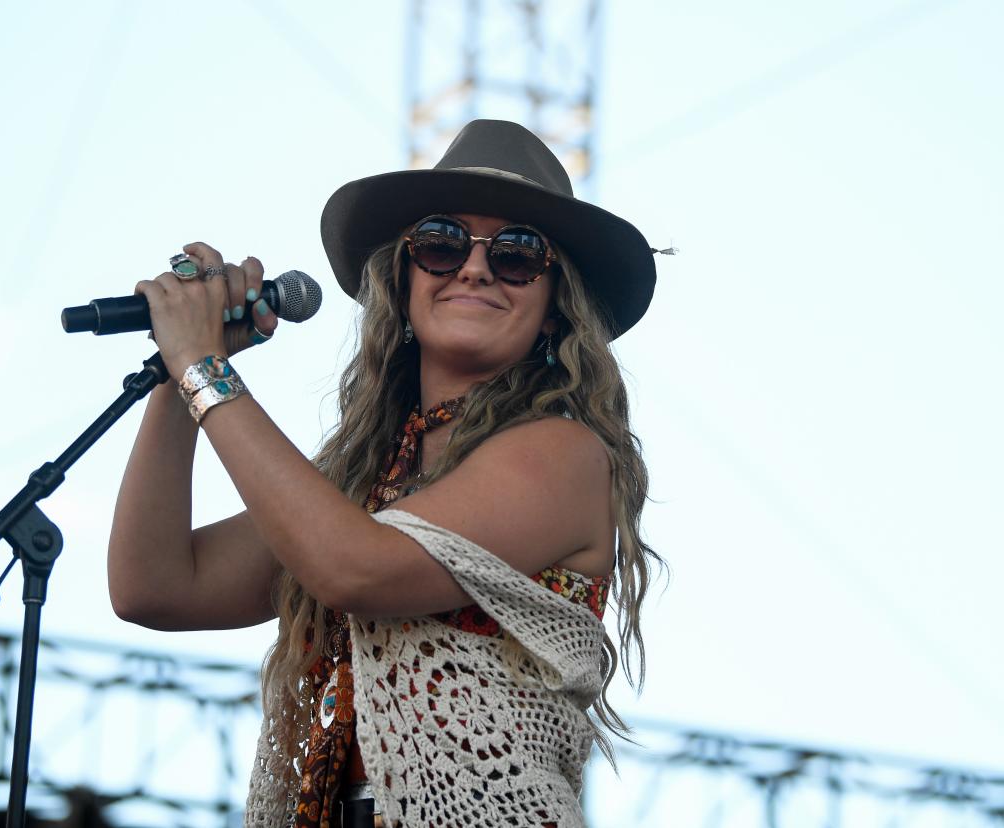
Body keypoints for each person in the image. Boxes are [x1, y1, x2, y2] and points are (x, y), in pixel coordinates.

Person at [107, 119, 665, 828]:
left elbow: (358, 570)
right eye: (441, 243)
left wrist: (203, 369)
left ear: (556, 306)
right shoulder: (362, 486)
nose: (473, 268)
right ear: (401, 281)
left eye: (518, 255)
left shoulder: (564, 453)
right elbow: (155, 586)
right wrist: (178, 371)